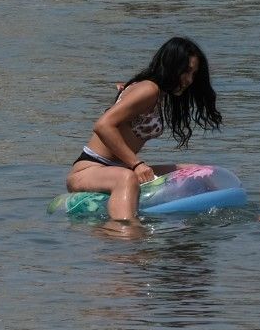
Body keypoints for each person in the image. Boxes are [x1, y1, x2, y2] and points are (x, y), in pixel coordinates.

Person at [66, 37, 222, 223]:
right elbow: (103, 125)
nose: (189, 80)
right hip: (90, 169)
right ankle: (126, 235)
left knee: (197, 171)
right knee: (127, 178)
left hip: (120, 167)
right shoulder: (149, 89)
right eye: (186, 71)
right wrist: (136, 165)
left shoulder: (155, 92)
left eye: (194, 74)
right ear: (172, 65)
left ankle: (210, 223)